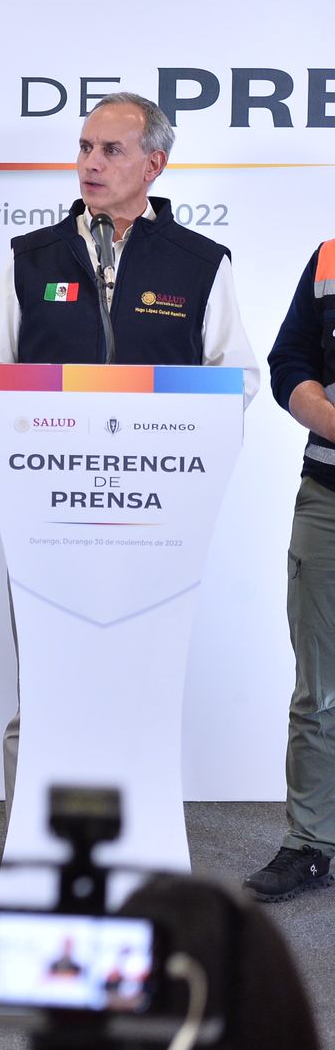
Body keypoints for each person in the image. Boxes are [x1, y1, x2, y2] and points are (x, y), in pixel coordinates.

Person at [0, 92, 258, 816]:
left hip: (153, 518)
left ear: (154, 164)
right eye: (85, 148)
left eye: (110, 150)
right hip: (48, 516)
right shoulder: (32, 257)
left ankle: (136, 839)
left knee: (138, 687)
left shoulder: (199, 263)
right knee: (46, 685)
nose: (90, 163)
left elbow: (238, 379)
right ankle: (32, 846)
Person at [247, 240, 335, 902]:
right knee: (320, 689)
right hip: (328, 498)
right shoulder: (330, 258)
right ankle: (310, 843)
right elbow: (290, 362)